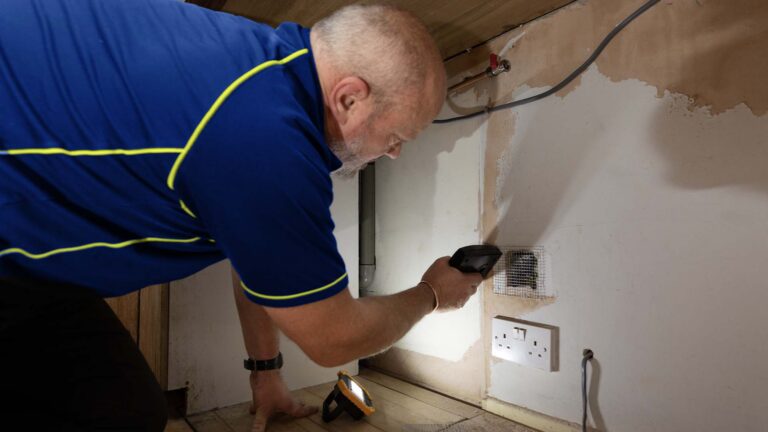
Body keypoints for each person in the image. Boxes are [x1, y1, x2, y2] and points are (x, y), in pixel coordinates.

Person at [0, 1, 483, 430]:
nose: (394, 153)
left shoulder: (259, 65)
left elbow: (258, 256)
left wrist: (266, 372)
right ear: (350, 97)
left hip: (32, 270)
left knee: (121, 408)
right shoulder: (267, 139)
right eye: (397, 134)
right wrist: (432, 294)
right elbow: (333, 339)